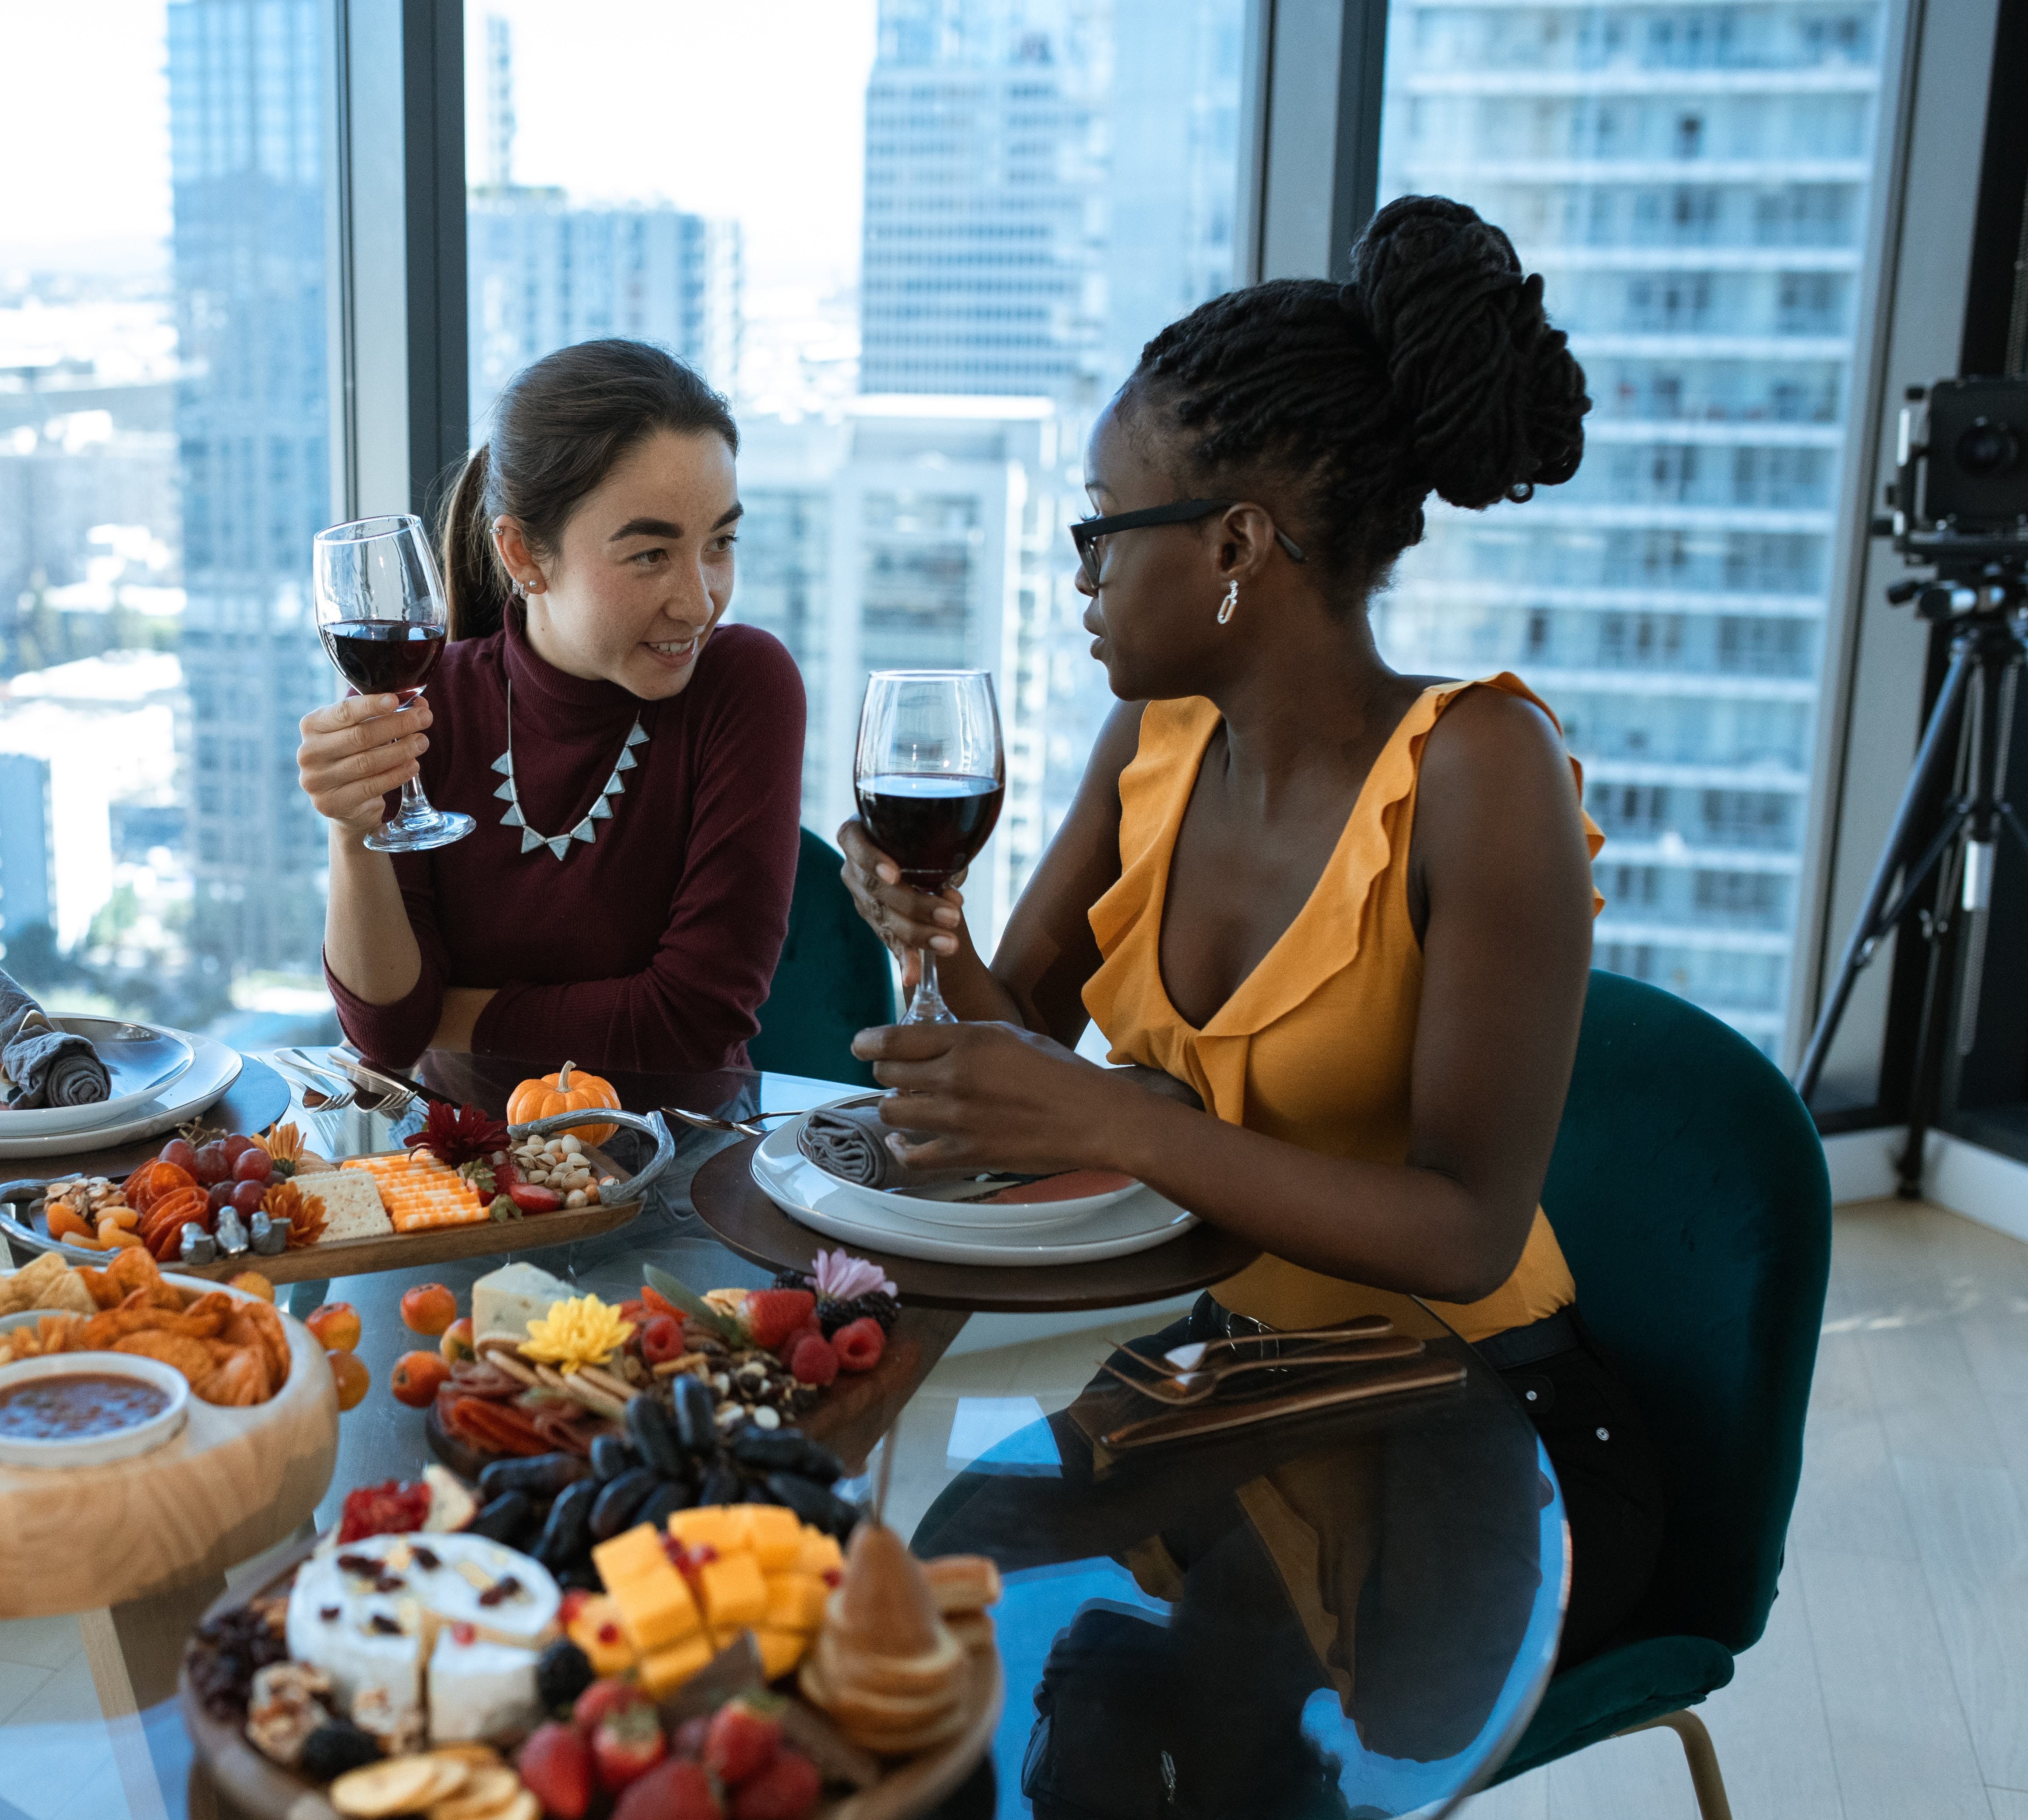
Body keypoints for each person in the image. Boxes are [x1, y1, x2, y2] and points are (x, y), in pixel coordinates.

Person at [838, 196, 1662, 1662]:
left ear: (1235, 542)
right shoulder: (1154, 742)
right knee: (943, 1619)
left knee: (1113, 1717)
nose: (1080, 573)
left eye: (1103, 527)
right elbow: (1019, 1051)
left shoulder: (1480, 769)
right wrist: (940, 933)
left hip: (1476, 1412)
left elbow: (1467, 1231)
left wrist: (1123, 1120)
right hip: (1236, 1375)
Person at [302, 338, 806, 1075]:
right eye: (650, 555)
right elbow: (386, 1036)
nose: (700, 602)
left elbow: (690, 1023)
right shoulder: (419, 704)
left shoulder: (744, 684)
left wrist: (449, 1014)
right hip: (456, 1169)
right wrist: (351, 833)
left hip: (686, 1162)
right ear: (523, 556)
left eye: (720, 542)